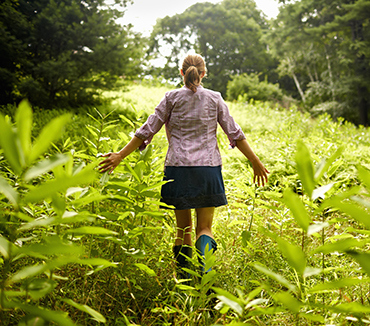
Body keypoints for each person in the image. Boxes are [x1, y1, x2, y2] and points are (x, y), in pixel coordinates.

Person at [99, 54, 269, 279]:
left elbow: (147, 130)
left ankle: (184, 280)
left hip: (178, 169)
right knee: (204, 229)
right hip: (207, 170)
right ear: (203, 73)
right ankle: (205, 273)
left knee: (183, 229)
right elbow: (235, 133)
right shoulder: (215, 98)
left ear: (182, 72)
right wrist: (255, 161)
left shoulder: (170, 98)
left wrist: (120, 155)